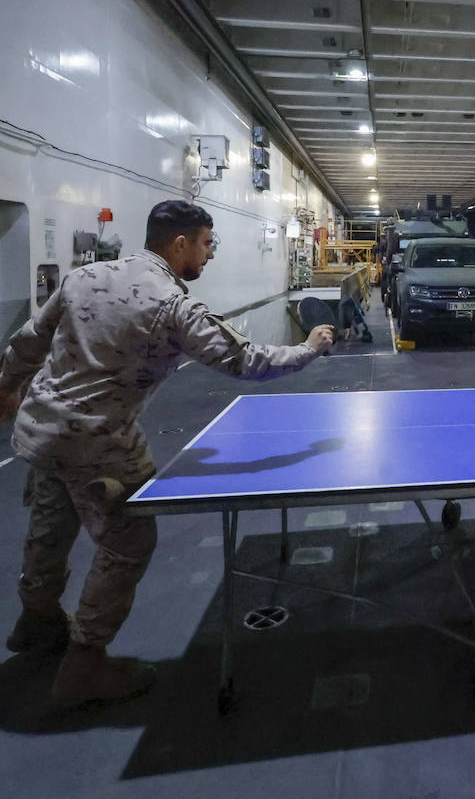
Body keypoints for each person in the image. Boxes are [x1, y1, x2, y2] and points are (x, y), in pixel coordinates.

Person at [0, 200, 334, 706]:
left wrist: (6, 387)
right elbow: (244, 360)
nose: (209, 254)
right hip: (99, 442)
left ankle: (36, 620)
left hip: (41, 432)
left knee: (52, 524)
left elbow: (28, 340)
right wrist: (308, 347)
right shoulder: (172, 305)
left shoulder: (83, 277)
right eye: (206, 243)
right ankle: (84, 665)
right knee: (126, 544)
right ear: (180, 243)